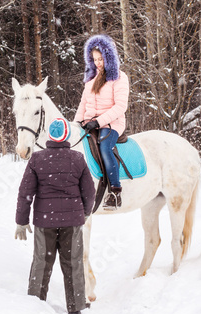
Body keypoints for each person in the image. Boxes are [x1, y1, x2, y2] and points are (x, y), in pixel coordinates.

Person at [14, 118, 95, 314]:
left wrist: (21, 220)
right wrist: (84, 212)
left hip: (45, 222)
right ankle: (76, 307)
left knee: (41, 261)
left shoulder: (37, 159)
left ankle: (35, 302)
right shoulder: (77, 158)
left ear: (50, 136)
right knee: (73, 262)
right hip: (72, 223)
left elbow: (25, 192)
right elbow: (89, 191)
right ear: (66, 136)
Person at [74, 34, 130, 210]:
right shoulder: (90, 80)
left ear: (109, 56)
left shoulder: (119, 78)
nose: (98, 62)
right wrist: (77, 123)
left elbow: (120, 106)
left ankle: (115, 191)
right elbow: (83, 104)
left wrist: (98, 122)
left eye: (101, 58)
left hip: (112, 123)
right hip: (89, 123)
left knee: (104, 146)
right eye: (94, 59)